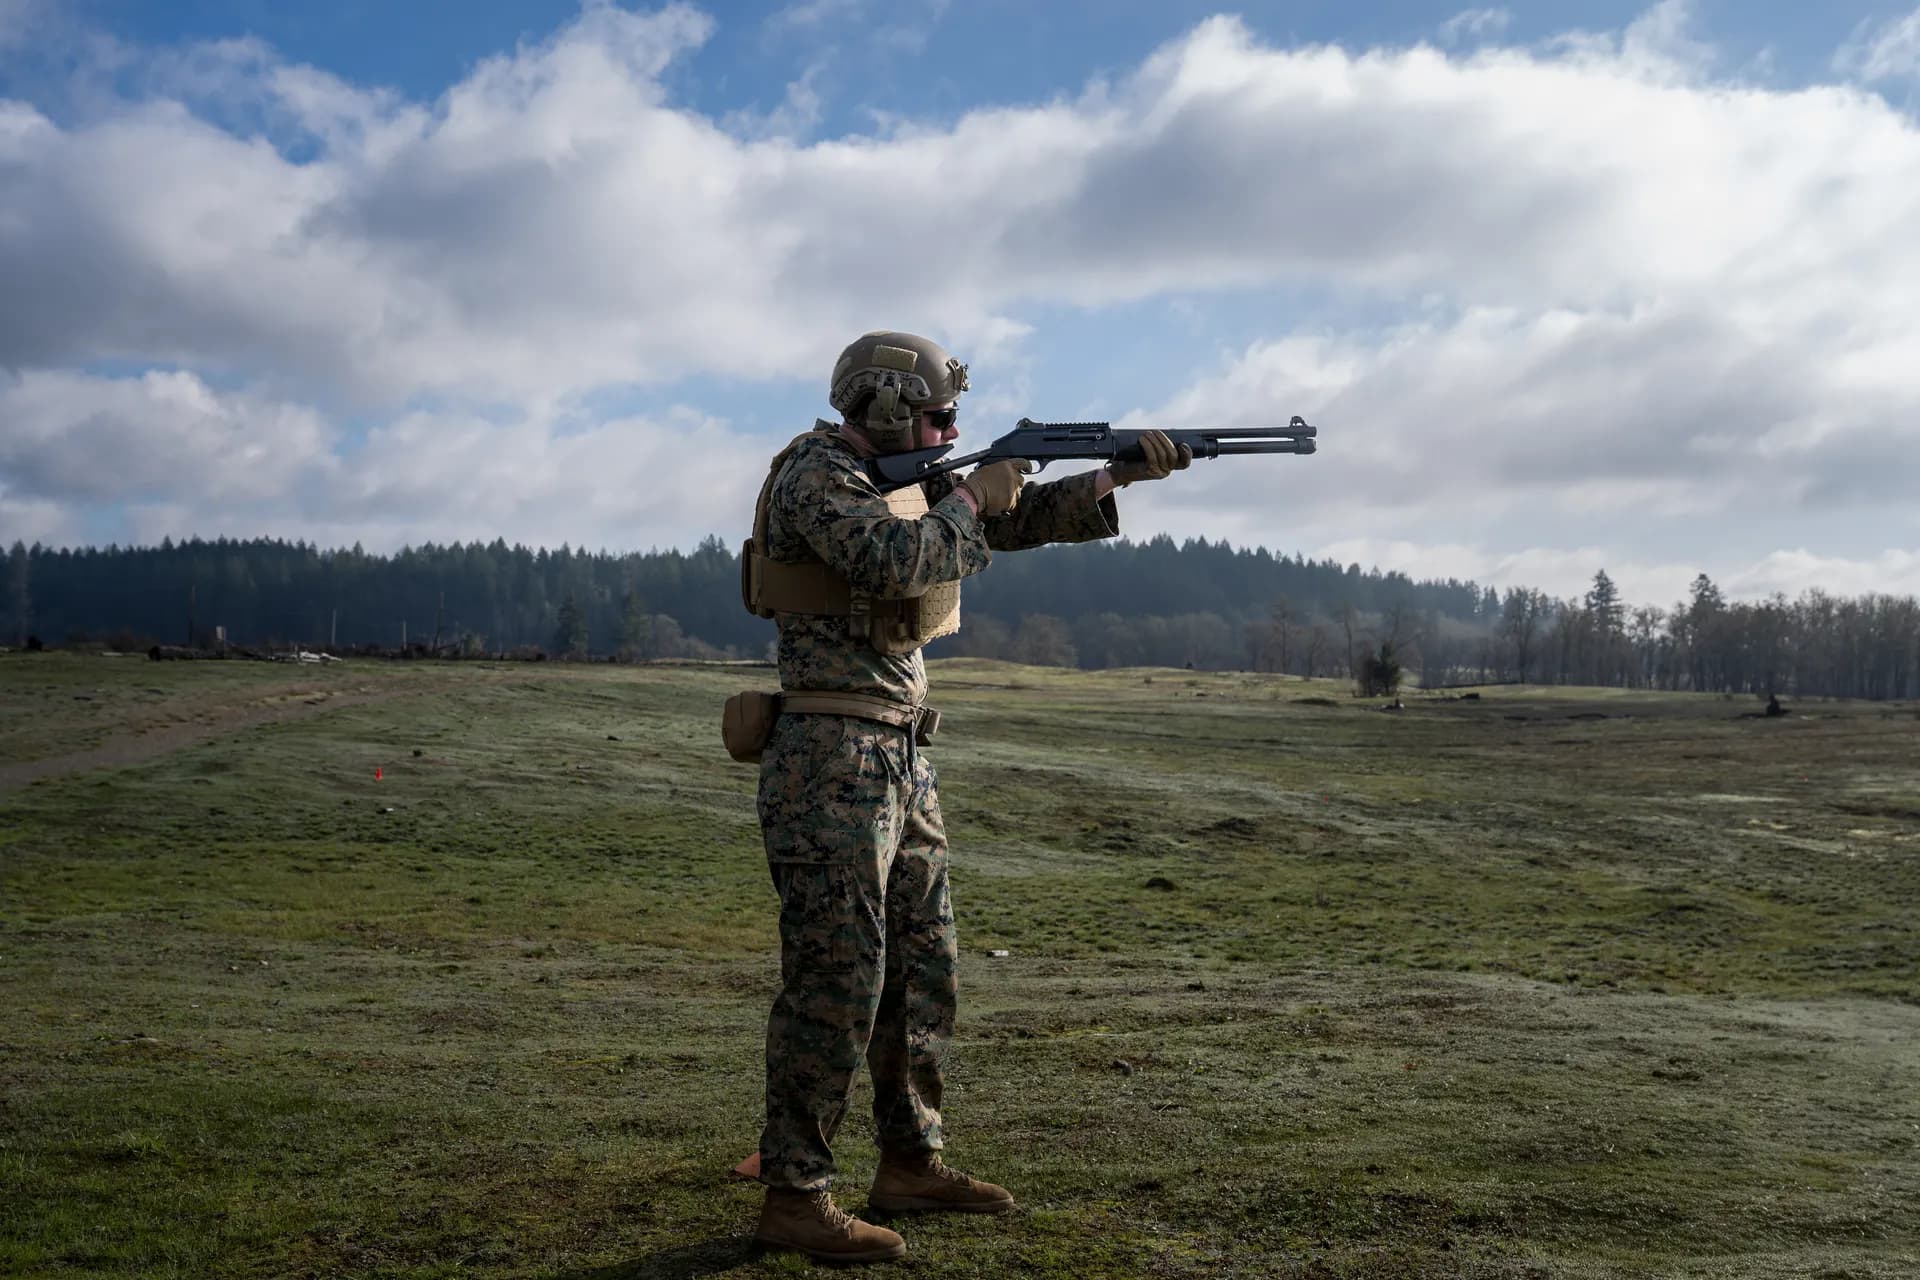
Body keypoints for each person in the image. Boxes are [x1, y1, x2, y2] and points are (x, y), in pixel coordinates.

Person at [744, 330, 1190, 1263]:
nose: (951, 429)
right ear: (883, 406)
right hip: (832, 753)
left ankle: (910, 1161)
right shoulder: (816, 475)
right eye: (937, 415)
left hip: (899, 754)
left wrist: (1112, 479)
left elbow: (1000, 525)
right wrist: (968, 497)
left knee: (923, 967)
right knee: (839, 976)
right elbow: (898, 561)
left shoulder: (904, 484)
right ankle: (796, 1193)